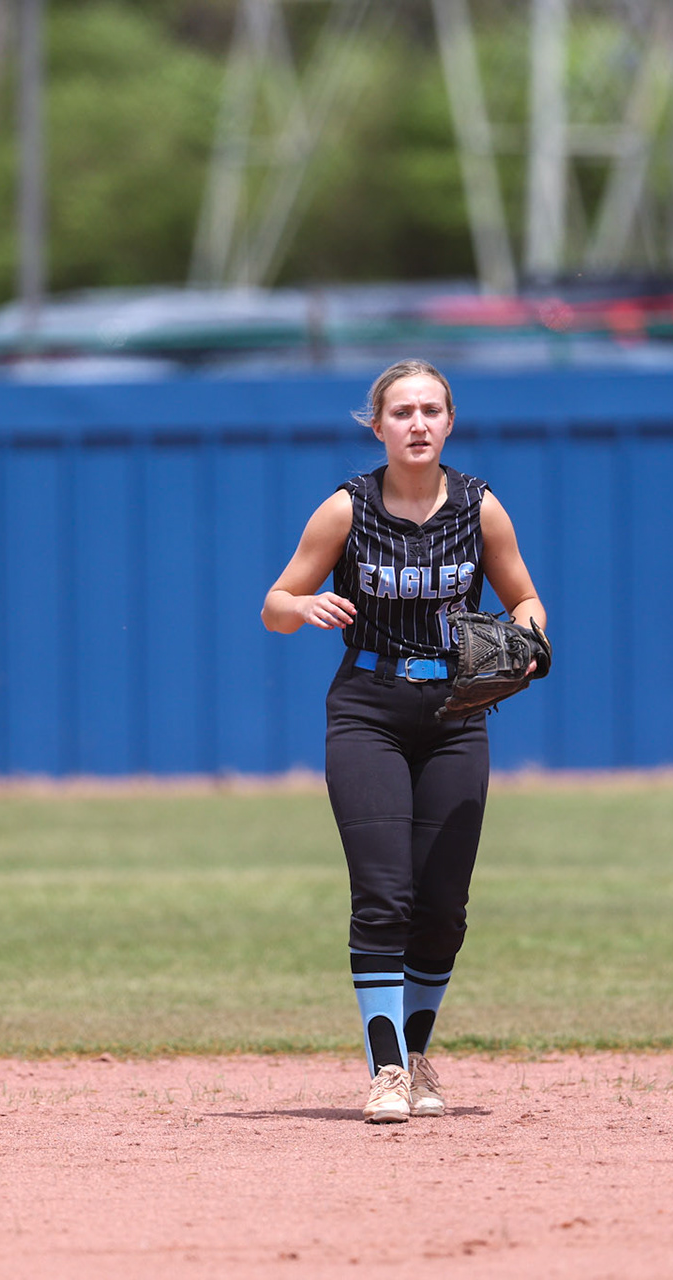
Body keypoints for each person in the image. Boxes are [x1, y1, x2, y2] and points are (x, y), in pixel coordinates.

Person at [262, 359, 547, 1124]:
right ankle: (385, 1069)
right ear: (378, 425)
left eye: (430, 410)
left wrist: (529, 636)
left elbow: (523, 597)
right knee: (383, 896)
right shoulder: (346, 509)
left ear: (449, 422)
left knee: (444, 907)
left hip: (456, 711)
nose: (417, 424)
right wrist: (304, 604)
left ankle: (418, 1059)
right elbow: (274, 602)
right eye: (401, 412)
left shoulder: (480, 508)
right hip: (368, 705)